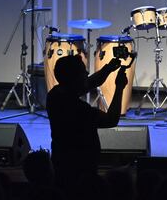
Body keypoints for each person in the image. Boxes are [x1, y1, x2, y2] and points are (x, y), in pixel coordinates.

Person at [46, 54, 127, 188]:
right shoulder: (79, 109)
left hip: (61, 161)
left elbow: (90, 82)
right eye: (83, 72)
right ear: (75, 78)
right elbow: (111, 120)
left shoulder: (54, 95)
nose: (87, 73)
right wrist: (119, 88)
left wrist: (108, 69)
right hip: (82, 168)